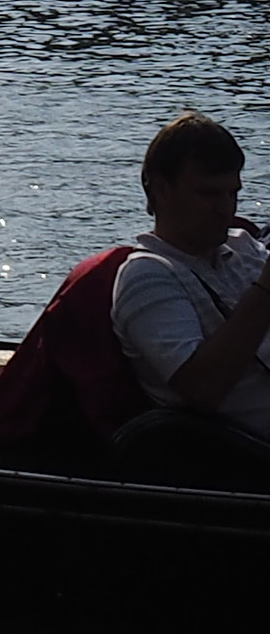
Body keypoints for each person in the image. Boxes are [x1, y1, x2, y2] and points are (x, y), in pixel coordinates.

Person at [112, 111, 270, 440]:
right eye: (209, 194)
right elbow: (203, 389)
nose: (227, 209)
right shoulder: (146, 276)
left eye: (233, 194)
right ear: (161, 189)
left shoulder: (245, 249)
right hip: (241, 453)